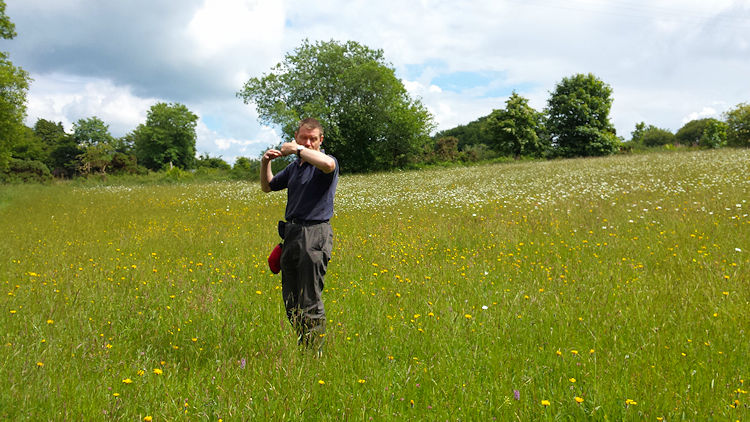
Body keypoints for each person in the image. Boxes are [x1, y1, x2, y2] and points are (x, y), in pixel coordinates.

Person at [260, 118, 338, 355]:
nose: (308, 142)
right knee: (292, 301)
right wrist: (265, 163)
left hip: (314, 235)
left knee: (310, 299)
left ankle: (316, 355)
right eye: (303, 137)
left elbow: (328, 164)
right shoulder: (296, 168)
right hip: (292, 235)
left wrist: (299, 150)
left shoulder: (324, 162)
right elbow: (268, 186)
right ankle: (305, 346)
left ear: (320, 140)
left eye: (313, 138)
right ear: (296, 136)